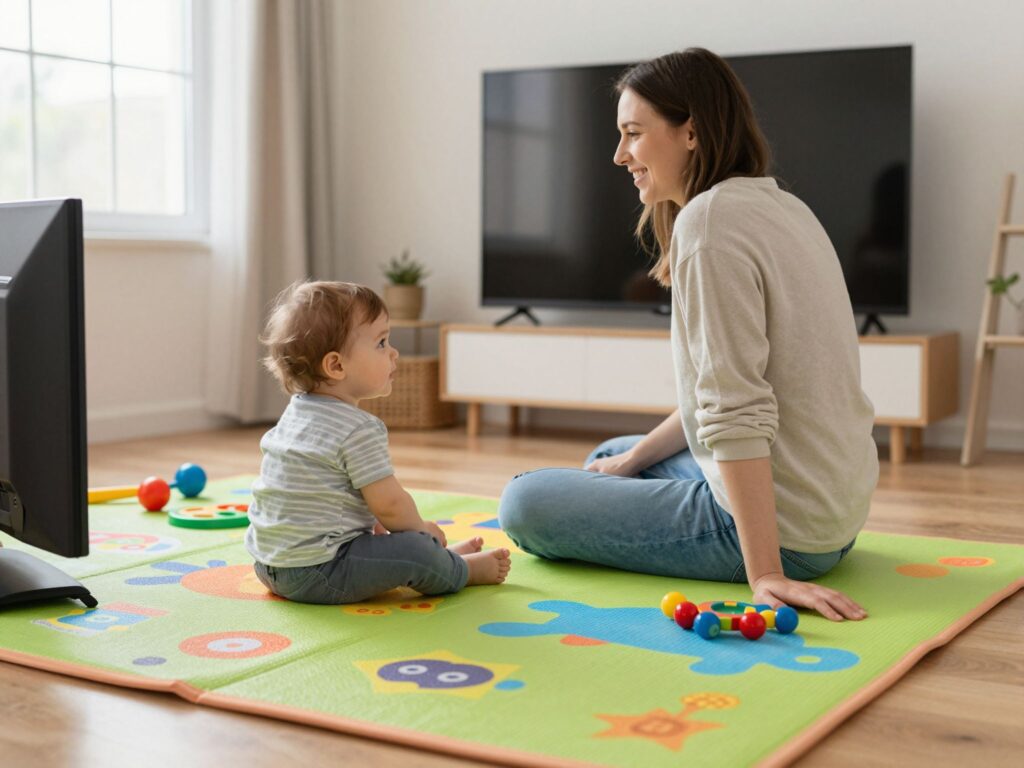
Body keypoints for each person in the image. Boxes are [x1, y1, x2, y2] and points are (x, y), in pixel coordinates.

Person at [498, 48, 877, 622]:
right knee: (612, 457)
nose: (619, 154)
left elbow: (736, 408)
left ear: (692, 132)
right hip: (834, 512)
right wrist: (632, 463)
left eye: (633, 133)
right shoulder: (784, 205)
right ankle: (640, 473)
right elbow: (728, 391)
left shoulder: (708, 224)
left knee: (524, 502)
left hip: (791, 534)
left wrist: (767, 573)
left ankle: (767, 555)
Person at [247, 281, 511, 604]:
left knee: (380, 532)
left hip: (269, 565)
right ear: (336, 365)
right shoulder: (358, 429)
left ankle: (441, 558)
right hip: (318, 571)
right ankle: (461, 571)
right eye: (382, 343)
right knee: (413, 551)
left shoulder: (296, 413)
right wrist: (422, 530)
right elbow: (390, 506)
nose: (394, 352)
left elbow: (329, 493)